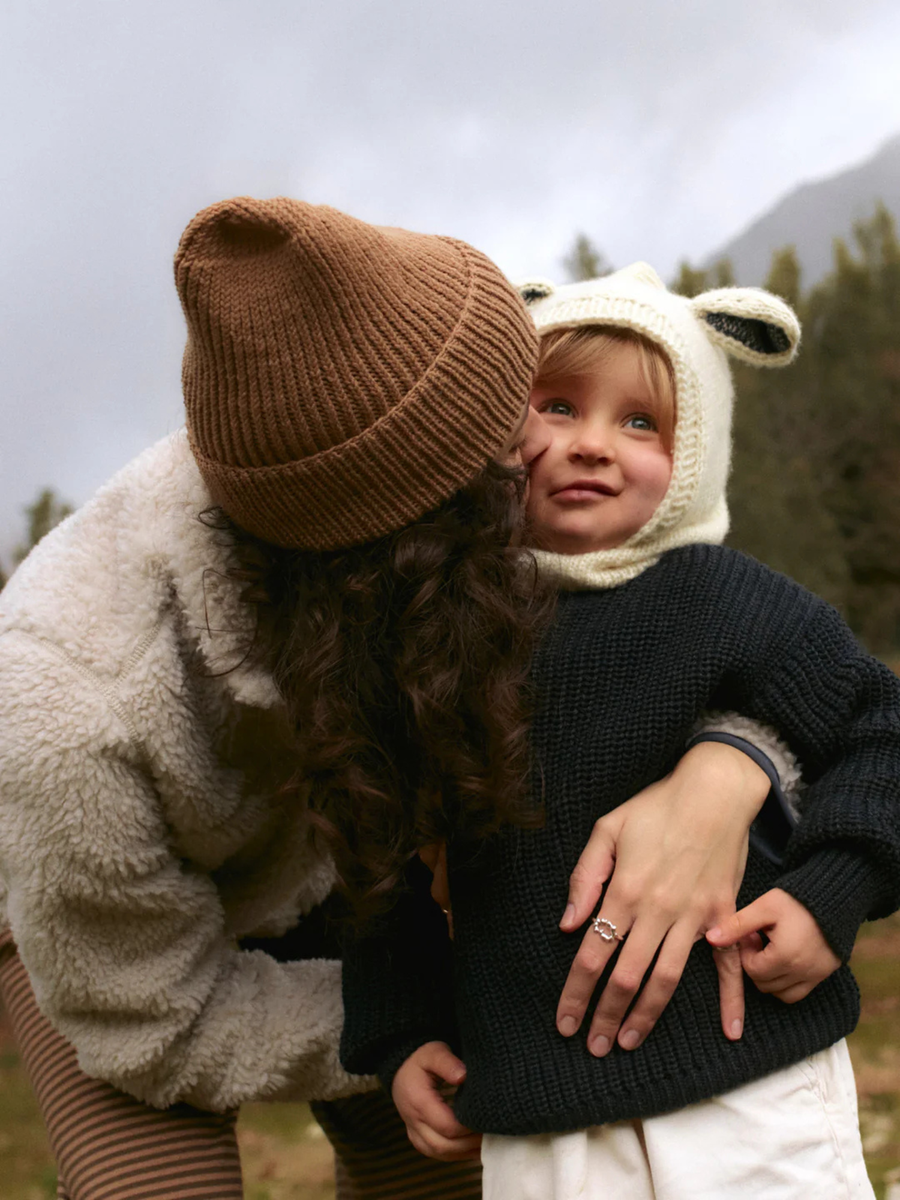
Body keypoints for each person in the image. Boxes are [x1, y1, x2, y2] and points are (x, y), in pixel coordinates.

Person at [0, 200, 777, 1200]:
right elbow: (157, 1023)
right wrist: (411, 1018)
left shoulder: (457, 516)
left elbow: (738, 652)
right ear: (406, 544)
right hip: (114, 938)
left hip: (332, 856)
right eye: (513, 442)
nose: (545, 463)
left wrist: (728, 772)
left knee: (436, 1159)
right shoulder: (66, 704)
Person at [339, 264, 900, 1198]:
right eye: (556, 406)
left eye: (641, 422)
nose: (593, 444)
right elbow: (376, 851)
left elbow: (881, 729)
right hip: (540, 1117)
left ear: (696, 453)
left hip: (747, 1082)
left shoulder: (725, 597)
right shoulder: (448, 633)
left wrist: (831, 891)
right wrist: (399, 1035)